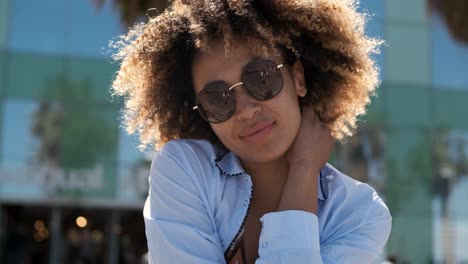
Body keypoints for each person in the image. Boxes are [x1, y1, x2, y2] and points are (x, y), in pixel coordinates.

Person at [111, 0, 392, 263]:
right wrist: (303, 168)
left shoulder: (359, 214)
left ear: (299, 79)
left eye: (261, 76)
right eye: (216, 97)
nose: (245, 110)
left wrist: (304, 169)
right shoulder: (185, 168)